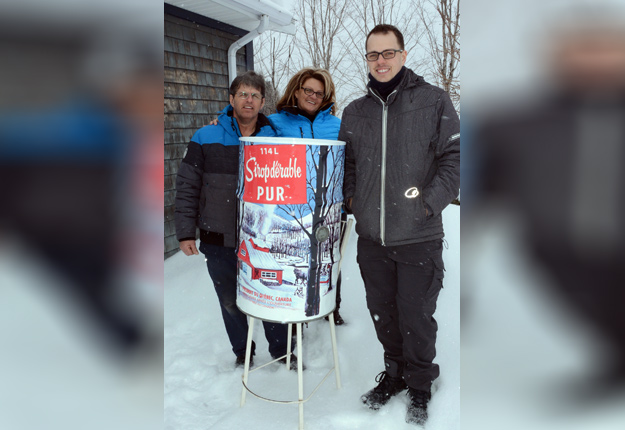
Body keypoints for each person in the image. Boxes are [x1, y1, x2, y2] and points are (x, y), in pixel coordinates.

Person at [338, 24, 460, 425]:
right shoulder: (355, 111)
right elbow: (349, 166)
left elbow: (455, 159)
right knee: (382, 312)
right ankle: (395, 374)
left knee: (416, 316)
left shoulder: (433, 101)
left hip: (419, 237)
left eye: (388, 53)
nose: (381, 61)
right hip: (372, 238)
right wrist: (355, 202)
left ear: (403, 55)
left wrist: (427, 205)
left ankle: (421, 384)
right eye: (373, 55)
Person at [174, 71, 296, 369]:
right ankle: (243, 351)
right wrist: (185, 233)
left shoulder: (276, 139)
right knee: (230, 300)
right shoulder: (206, 137)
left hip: (264, 237)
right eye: (243, 94)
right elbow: (188, 187)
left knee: (270, 294)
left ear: (263, 101)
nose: (249, 100)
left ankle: (282, 350)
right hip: (219, 237)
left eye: (255, 95)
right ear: (231, 99)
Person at [269, 67, 346, 324]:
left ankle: (330, 306)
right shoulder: (274, 122)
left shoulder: (338, 126)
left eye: (320, 93)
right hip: (291, 210)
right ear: (296, 90)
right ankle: (292, 312)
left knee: (329, 258)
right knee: (295, 261)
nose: (313, 96)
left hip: (330, 209)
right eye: (308, 90)